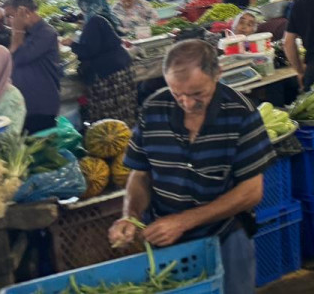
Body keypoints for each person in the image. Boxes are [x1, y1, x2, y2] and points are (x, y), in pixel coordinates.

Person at [109, 40, 273, 294]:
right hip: (166, 241)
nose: (186, 103)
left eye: (197, 93)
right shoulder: (153, 110)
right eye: (177, 93)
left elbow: (251, 192)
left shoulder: (241, 113)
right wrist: (130, 214)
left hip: (225, 236)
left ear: (217, 74)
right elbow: (140, 174)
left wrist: (184, 221)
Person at [71, 0, 137, 125]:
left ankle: (117, 143)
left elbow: (90, 50)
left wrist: (71, 44)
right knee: (124, 112)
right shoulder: (106, 15)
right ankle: (127, 140)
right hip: (121, 69)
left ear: (85, 5)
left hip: (108, 75)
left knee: (110, 119)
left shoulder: (94, 21)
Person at [3, 0, 62, 133]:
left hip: (41, 105)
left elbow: (19, 57)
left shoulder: (46, 33)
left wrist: (17, 30)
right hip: (25, 105)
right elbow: (9, 59)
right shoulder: (26, 33)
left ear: (25, 12)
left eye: (11, 16)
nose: (8, 22)